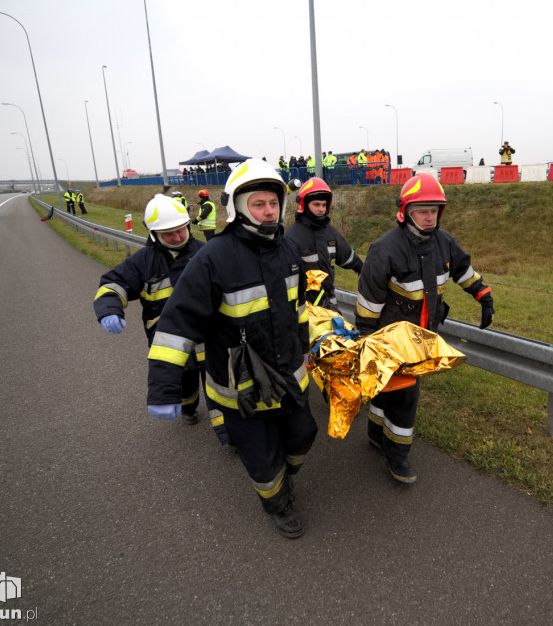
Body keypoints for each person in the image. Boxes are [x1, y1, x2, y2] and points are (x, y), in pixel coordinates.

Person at [146, 159, 317, 539]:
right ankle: (277, 503)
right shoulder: (213, 258)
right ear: (238, 208)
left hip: (289, 373)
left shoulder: (289, 251)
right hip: (241, 385)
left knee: (303, 435)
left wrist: (305, 349)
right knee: (261, 458)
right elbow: (177, 325)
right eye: (259, 204)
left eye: (273, 202)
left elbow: (299, 309)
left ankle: (286, 477)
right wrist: (164, 388)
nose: (268, 210)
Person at [355, 173, 494, 484]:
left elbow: (463, 270)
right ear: (405, 212)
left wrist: (483, 295)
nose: (429, 216)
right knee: (405, 396)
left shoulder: (444, 243)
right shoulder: (385, 248)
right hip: (390, 338)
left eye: (434, 210)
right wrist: (366, 339)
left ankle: (376, 435)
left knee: (387, 390)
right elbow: (369, 299)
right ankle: (397, 455)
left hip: (423, 336)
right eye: (422, 210)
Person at [94, 194, 216, 434]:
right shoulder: (142, 262)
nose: (177, 237)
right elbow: (112, 285)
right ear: (154, 235)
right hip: (170, 344)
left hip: (209, 340)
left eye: (181, 230)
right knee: (184, 385)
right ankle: (189, 410)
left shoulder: (207, 253)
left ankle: (229, 433)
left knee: (219, 389)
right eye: (168, 233)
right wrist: (110, 308)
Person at [285, 177, 363, 312]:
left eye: (324, 205)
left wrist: (363, 269)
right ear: (304, 204)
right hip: (304, 306)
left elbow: (347, 256)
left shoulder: (330, 232)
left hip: (329, 303)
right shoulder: (291, 235)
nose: (321, 209)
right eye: (316, 205)